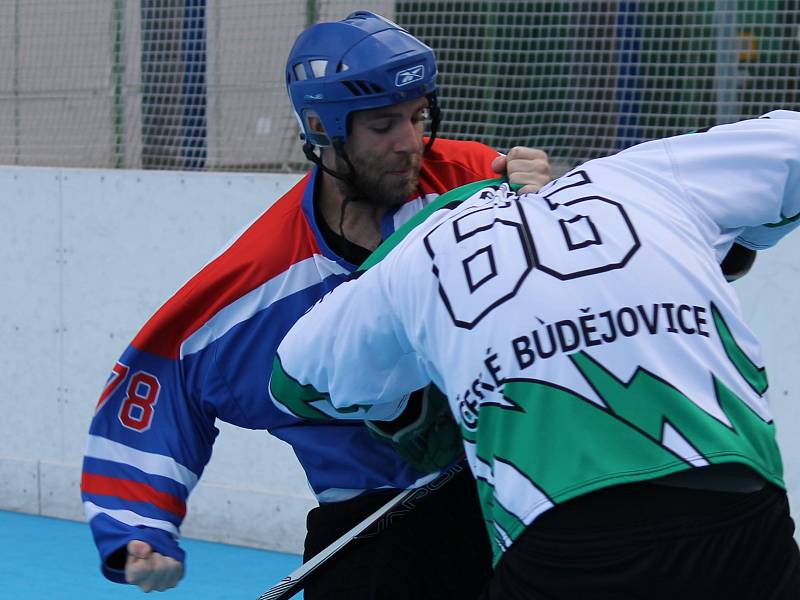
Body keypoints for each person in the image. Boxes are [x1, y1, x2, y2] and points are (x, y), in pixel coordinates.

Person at [80, 11, 552, 597]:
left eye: (417, 116)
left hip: (508, 489)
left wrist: (544, 201)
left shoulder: (473, 181)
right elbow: (163, 377)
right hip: (376, 527)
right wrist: (139, 525)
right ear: (321, 128)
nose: (409, 142)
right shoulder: (261, 279)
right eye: (383, 126)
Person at [271, 110, 800, 599]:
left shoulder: (415, 252)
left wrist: (405, 404)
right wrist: (742, 233)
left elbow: (294, 379)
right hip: (741, 510)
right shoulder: (646, 174)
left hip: (561, 543)